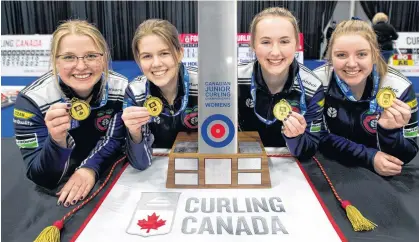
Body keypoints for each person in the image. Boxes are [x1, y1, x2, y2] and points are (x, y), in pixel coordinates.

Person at [13, 20, 128, 207]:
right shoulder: (32, 100)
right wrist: (57, 141)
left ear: (104, 57)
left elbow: (117, 142)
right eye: (69, 57)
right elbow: (41, 177)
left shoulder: (121, 87)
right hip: (61, 184)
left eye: (91, 56)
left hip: (104, 174)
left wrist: (90, 167)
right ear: (55, 60)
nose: (81, 66)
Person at [314, 19, 418, 176]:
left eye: (361, 54)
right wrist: (368, 156)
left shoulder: (399, 88)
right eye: (341, 55)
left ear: (374, 55)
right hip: (331, 166)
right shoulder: (317, 81)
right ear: (330, 57)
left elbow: (407, 155)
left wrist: (389, 133)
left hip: (380, 178)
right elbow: (316, 136)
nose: (351, 64)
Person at [238, 7, 326, 160]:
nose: (275, 52)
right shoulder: (234, 80)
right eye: (266, 42)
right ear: (252, 45)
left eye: (284, 41)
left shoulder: (312, 87)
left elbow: (309, 149)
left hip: (290, 168)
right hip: (243, 164)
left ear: (296, 44)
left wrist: (295, 138)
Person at [122, 19, 198, 170]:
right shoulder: (135, 92)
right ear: (138, 60)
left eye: (164, 53)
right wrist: (134, 133)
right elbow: (140, 163)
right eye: (147, 56)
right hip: (156, 173)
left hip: (200, 167)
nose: (156, 63)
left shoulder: (204, 86)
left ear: (180, 53)